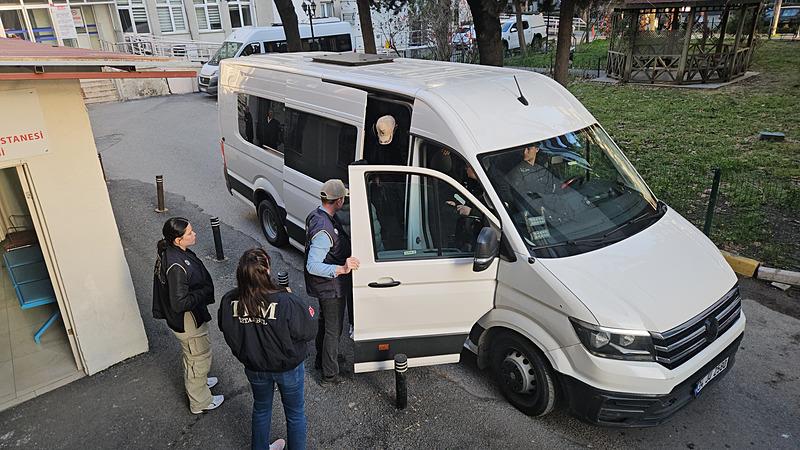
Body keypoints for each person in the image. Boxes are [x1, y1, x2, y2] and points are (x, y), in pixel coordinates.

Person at [218, 248, 316, 450]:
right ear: (267, 270)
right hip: (287, 368)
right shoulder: (285, 301)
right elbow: (308, 331)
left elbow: (226, 329)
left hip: (254, 367)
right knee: (295, 414)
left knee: (261, 409)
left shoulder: (229, 301)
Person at [152, 217, 223, 414]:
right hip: (187, 320)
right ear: (177, 240)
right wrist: (204, 292)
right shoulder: (176, 265)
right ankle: (199, 401)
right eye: (189, 233)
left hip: (188, 318)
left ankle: (199, 382)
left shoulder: (171, 252)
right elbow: (179, 302)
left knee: (194, 354)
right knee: (197, 357)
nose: (194, 234)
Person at [304, 179, 360, 385]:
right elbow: (313, 265)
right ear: (338, 200)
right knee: (332, 329)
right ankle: (329, 374)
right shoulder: (324, 229)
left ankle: (324, 360)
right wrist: (342, 269)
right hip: (330, 287)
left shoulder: (318, 214)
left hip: (325, 286)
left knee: (325, 323)